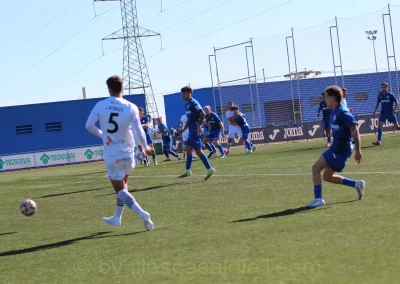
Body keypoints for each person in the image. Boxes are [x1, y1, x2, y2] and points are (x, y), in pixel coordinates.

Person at [85, 75, 154, 230]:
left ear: (109, 89)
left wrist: (103, 135)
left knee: (120, 190)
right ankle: (117, 217)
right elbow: (138, 129)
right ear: (123, 88)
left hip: (112, 154)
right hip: (129, 154)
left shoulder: (100, 105)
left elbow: (89, 126)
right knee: (124, 186)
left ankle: (143, 214)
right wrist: (145, 147)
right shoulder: (131, 106)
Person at [305, 86, 365, 208]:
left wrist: (358, 150)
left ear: (333, 98)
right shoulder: (333, 111)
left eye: (326, 96)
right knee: (326, 177)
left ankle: (318, 199)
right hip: (335, 148)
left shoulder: (343, 112)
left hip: (341, 150)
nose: (325, 98)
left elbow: (355, 131)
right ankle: (356, 184)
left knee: (316, 168)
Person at [177, 86, 215, 180]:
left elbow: (202, 113)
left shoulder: (194, 102)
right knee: (189, 149)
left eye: (184, 93)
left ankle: (209, 169)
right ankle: (188, 171)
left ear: (190, 93)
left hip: (195, 130)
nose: (183, 95)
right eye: (182, 93)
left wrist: (199, 125)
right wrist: (183, 129)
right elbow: (189, 120)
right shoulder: (186, 104)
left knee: (198, 151)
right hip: (191, 129)